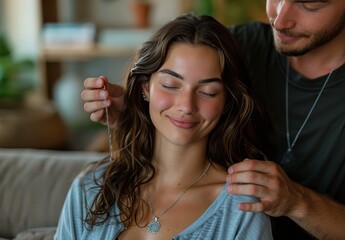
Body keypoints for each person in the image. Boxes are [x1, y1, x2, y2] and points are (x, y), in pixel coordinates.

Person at [81, 1, 345, 239]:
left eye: (310, 4)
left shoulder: (238, 213)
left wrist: (298, 202)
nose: (279, 18)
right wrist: (132, 111)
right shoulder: (243, 44)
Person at [55, 14, 273, 239]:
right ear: (145, 87)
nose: (187, 106)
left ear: (227, 101)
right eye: (170, 85)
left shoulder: (242, 209)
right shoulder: (90, 189)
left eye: (208, 92)